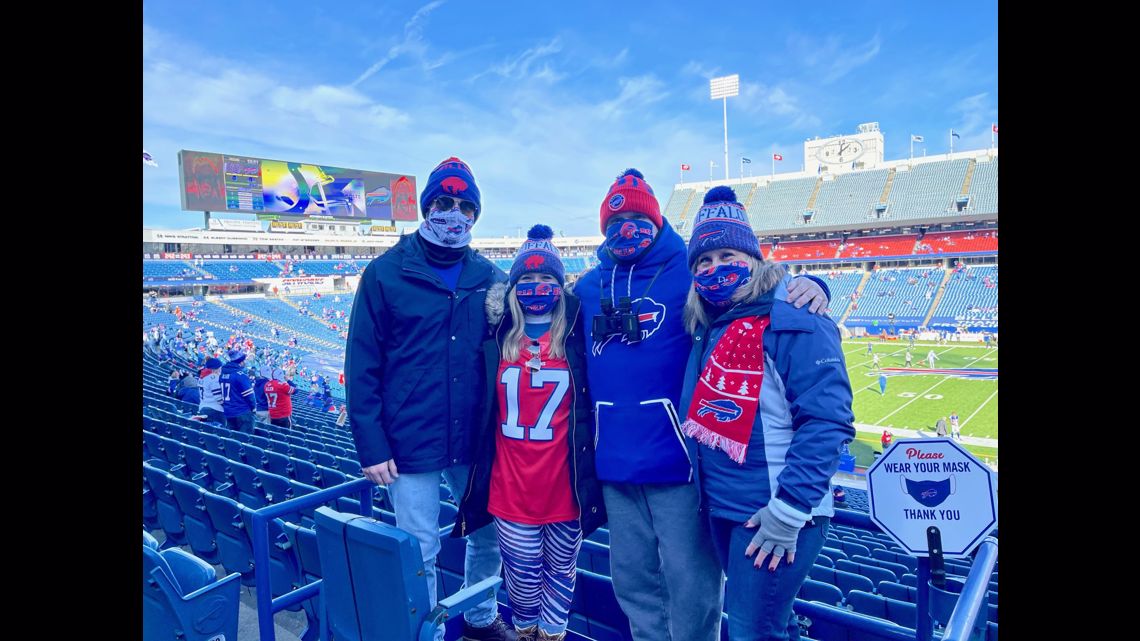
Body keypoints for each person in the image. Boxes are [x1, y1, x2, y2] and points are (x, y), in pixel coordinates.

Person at [574, 176, 831, 641]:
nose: (626, 229)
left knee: (693, 592)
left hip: (681, 466)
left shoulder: (686, 272)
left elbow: (757, 292)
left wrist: (811, 284)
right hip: (614, 463)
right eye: (616, 221)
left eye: (637, 219)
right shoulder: (590, 285)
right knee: (633, 586)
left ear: (657, 220)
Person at [345, 157, 514, 641]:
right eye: (443, 201)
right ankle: (428, 634)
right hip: (409, 437)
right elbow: (362, 365)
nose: (454, 212)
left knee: (488, 535)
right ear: (426, 207)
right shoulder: (384, 273)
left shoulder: (492, 276)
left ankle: (480, 618)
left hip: (476, 437)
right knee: (419, 546)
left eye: (465, 205)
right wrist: (371, 446)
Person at [678, 185, 855, 641]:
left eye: (726, 254)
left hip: (773, 507)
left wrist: (790, 507)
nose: (714, 269)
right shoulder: (711, 325)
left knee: (754, 630)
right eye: (703, 261)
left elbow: (827, 420)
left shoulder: (795, 316)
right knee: (769, 623)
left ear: (755, 259)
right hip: (724, 504)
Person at [454, 226, 606, 641]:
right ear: (513, 286)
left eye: (546, 280)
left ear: (560, 287)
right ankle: (524, 633)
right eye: (527, 280)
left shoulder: (577, 334)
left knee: (561, 575)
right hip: (512, 485)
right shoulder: (495, 336)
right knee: (521, 582)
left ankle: (553, 635)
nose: (536, 288)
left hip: (566, 486)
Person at [220, 349, 256, 433]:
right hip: (242, 412)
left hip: (228, 411)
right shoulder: (240, 375)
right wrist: (253, 408)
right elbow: (250, 396)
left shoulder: (221, 374)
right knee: (245, 440)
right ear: (240, 362)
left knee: (232, 439)